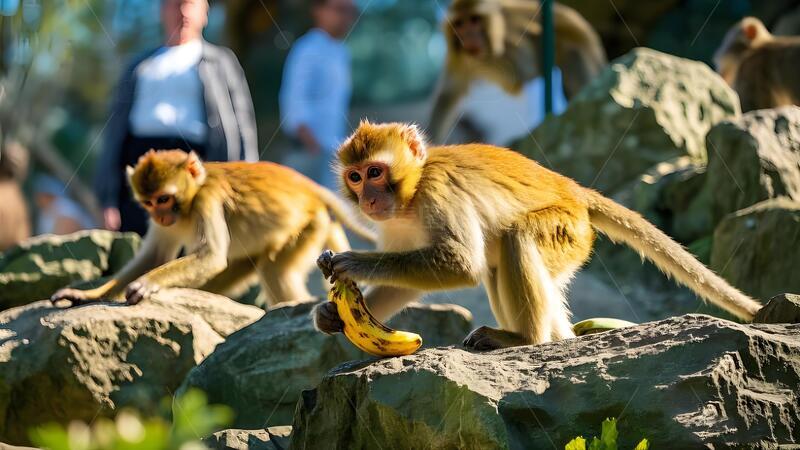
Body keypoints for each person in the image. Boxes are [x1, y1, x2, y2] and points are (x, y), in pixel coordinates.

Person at [95, 0, 258, 236]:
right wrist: (107, 198)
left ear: (205, 12)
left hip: (196, 166)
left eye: (190, 3)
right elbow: (113, 134)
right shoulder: (138, 66)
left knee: (190, 251)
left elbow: (243, 128)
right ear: (162, 11)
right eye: (175, 4)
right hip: (140, 169)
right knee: (137, 253)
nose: (183, 11)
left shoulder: (221, 63)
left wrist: (244, 190)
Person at [279, 0, 356, 189]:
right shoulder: (307, 49)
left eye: (350, 11)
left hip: (331, 152)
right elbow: (293, 101)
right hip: (309, 153)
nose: (345, 17)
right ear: (318, 10)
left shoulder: (341, 50)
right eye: (339, 10)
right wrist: (312, 146)